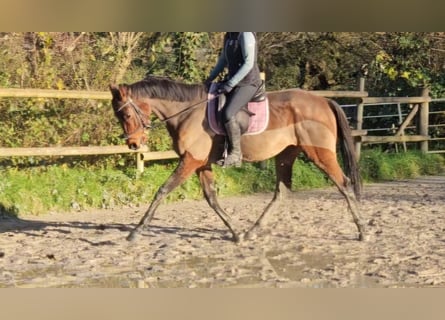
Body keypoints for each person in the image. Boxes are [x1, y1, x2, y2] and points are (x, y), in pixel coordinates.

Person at [204, 32, 263, 167]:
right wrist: (209, 79)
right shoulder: (229, 36)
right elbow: (223, 61)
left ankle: (236, 153)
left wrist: (230, 84)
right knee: (215, 105)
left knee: (228, 113)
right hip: (234, 81)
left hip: (249, 83)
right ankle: (220, 149)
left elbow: (248, 64)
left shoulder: (246, 35)